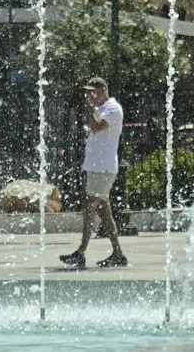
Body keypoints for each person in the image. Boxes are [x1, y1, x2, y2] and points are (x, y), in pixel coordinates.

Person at [59, 77, 128, 268]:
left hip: (103, 168)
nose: (90, 95)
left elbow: (97, 127)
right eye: (89, 92)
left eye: (93, 92)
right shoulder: (102, 109)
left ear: (103, 91)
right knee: (104, 213)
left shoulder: (113, 108)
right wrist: (93, 109)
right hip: (96, 168)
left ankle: (81, 252)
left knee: (89, 207)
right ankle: (118, 254)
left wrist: (91, 108)